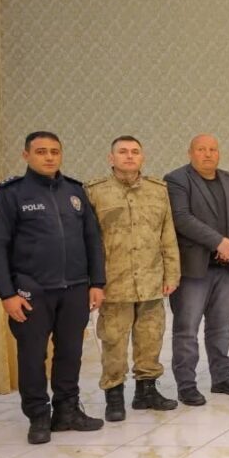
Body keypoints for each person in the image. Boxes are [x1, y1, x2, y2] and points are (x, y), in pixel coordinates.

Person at [0, 132, 106, 444]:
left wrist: (97, 282)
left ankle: (67, 411)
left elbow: (92, 240)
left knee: (70, 353)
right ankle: (38, 417)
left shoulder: (75, 191)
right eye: (41, 151)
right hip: (30, 292)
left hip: (75, 289)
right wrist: (7, 294)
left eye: (55, 151)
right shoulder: (10, 194)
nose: (49, 157)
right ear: (26, 155)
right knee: (32, 357)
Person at [86, 135, 180, 420]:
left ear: (142, 157)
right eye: (123, 152)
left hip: (151, 279)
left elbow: (167, 234)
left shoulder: (158, 191)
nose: (129, 156)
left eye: (135, 152)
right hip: (114, 283)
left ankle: (146, 391)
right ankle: (114, 395)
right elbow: (88, 241)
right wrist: (93, 281)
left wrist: (172, 273)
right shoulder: (95, 192)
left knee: (151, 337)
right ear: (111, 158)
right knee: (113, 341)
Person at [165, 134, 229, 405]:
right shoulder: (177, 180)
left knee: (222, 327)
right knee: (186, 329)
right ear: (190, 152)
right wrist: (219, 242)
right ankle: (186, 384)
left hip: (226, 268)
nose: (207, 154)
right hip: (193, 270)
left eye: (213, 149)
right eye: (201, 149)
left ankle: (222, 377)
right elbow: (182, 218)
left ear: (219, 153)